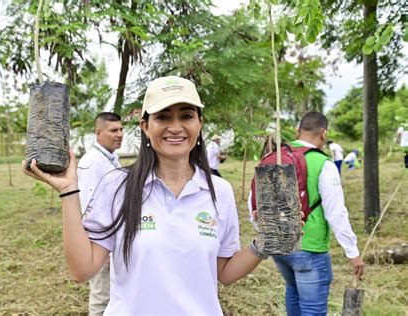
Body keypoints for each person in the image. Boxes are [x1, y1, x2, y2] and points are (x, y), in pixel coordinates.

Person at [23, 76, 267, 314]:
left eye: (186, 115)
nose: (175, 127)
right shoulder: (118, 185)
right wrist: (68, 191)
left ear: (199, 124)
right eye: (163, 117)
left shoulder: (219, 191)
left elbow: (223, 273)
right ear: (145, 127)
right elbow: (81, 270)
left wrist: (264, 244)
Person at [249, 112, 364, 316]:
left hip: (278, 245)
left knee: (293, 292)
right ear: (324, 134)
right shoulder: (323, 164)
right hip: (309, 248)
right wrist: (353, 253)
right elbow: (336, 213)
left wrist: (263, 230)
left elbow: (253, 200)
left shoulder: (274, 156)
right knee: (312, 309)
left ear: (297, 131)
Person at [77, 112, 123, 315]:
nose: (120, 134)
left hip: (114, 238)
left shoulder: (111, 158)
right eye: (113, 130)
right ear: (98, 133)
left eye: (121, 129)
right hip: (101, 242)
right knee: (102, 296)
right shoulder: (92, 163)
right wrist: (102, 250)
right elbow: (89, 208)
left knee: (114, 294)